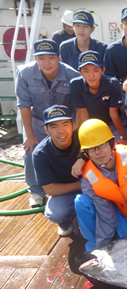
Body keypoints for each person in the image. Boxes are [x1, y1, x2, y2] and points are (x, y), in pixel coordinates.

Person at [74, 119, 127, 257]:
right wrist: (101, 249)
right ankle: (92, 246)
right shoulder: (88, 179)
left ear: (111, 144)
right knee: (81, 201)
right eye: (91, 148)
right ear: (86, 153)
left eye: (101, 145)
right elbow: (105, 213)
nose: (98, 152)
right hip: (118, 215)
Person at [16, 39, 79, 208]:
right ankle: (36, 190)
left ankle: (70, 183)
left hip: (66, 121)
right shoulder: (24, 73)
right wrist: (29, 135)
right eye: (41, 58)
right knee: (31, 149)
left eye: (51, 57)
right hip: (37, 120)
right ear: (35, 59)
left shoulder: (72, 75)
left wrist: (77, 131)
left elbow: (79, 106)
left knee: (74, 151)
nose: (46, 62)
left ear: (59, 58)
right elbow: (24, 105)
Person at [32, 105, 85, 236]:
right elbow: (50, 190)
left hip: (94, 185)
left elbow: (107, 149)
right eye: (54, 126)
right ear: (46, 130)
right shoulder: (40, 153)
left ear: (73, 125)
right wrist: (82, 185)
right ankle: (67, 222)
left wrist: (82, 156)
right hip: (67, 191)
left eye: (65, 124)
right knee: (54, 213)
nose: (61, 131)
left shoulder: (84, 136)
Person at [70, 51, 127, 144]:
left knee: (121, 150)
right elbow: (83, 113)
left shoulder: (112, 83)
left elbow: (113, 114)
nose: (91, 75)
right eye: (86, 71)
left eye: (95, 70)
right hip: (93, 126)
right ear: (80, 72)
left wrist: (123, 136)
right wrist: (83, 136)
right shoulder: (76, 84)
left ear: (103, 70)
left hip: (113, 125)